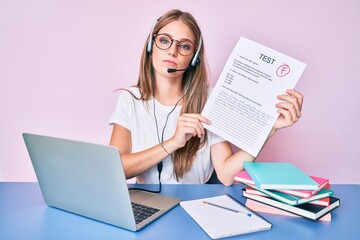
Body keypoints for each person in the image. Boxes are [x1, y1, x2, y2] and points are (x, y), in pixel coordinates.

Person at [109, 9, 303, 186]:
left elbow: (226, 176)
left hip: (193, 205)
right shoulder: (130, 99)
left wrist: (268, 130)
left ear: (194, 58)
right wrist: (173, 143)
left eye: (184, 46)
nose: (172, 51)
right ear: (152, 45)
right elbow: (115, 169)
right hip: (147, 204)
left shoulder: (210, 99)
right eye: (164, 40)